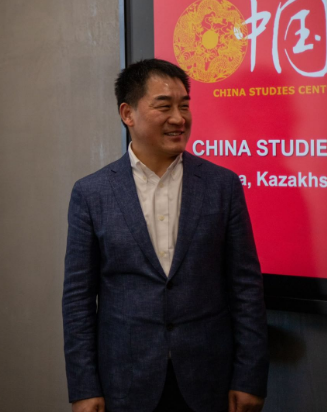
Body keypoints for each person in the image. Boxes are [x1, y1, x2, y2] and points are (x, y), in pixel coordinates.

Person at [62, 59, 269, 412]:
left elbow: (246, 287)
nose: (179, 118)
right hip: (125, 381)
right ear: (128, 113)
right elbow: (78, 299)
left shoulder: (222, 186)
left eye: (184, 106)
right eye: (164, 106)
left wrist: (249, 377)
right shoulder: (92, 193)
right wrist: (84, 387)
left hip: (209, 379)